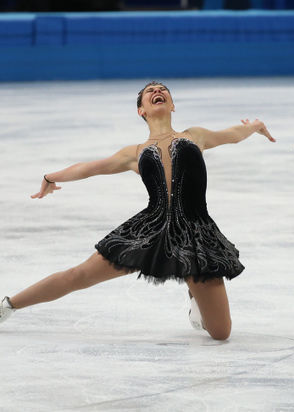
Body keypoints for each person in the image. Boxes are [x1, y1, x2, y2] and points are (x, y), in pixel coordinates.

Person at [0, 81, 275, 341]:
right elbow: (90, 168)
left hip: (195, 235)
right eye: (150, 91)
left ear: (172, 105)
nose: (157, 91)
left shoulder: (195, 136)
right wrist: (50, 177)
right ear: (141, 110)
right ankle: (8, 305)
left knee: (220, 333)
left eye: (162, 89)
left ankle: (194, 295)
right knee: (79, 275)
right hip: (150, 230)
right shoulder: (135, 152)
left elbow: (232, 135)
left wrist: (254, 126)